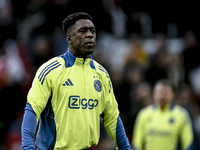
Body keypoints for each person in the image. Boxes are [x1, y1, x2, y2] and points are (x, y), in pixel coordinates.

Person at [21, 12, 132, 150]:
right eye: (83, 31)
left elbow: (112, 118)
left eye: (92, 31)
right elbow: (32, 110)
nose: (90, 35)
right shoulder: (51, 70)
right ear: (69, 38)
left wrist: (126, 148)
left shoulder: (102, 74)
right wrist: (27, 147)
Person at [132, 79, 194, 150]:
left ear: (173, 95)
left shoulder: (181, 114)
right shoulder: (144, 114)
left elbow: (188, 144)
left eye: (166, 93)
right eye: (159, 92)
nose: (162, 96)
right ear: (153, 94)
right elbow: (137, 143)